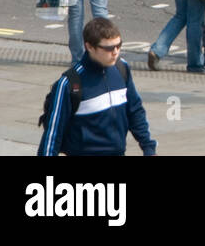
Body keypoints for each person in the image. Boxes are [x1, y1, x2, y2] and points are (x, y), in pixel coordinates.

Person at [38, 18, 156, 157]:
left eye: (119, 45)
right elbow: (53, 134)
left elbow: (135, 110)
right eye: (108, 48)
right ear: (89, 47)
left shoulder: (121, 68)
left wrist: (148, 147)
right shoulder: (70, 83)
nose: (115, 52)